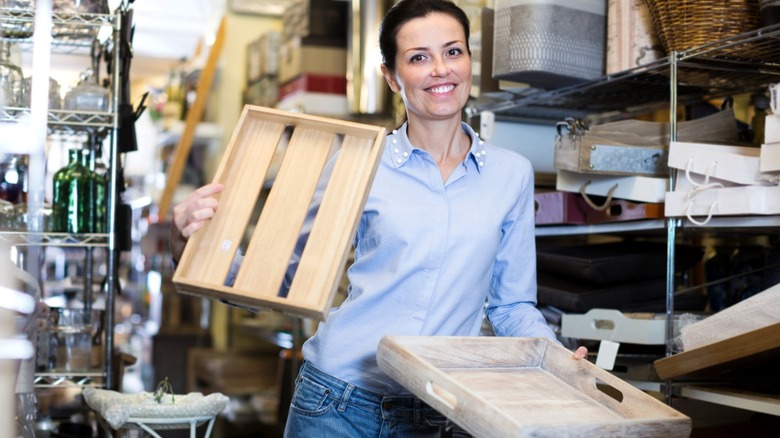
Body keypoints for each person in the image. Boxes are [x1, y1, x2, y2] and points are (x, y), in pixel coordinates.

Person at [170, 0, 587, 436]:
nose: (441, 69)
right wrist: (192, 246)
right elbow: (284, 277)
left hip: (437, 408)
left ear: (469, 60)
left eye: (453, 51)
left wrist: (552, 358)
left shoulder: (511, 174)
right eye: (418, 58)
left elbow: (512, 305)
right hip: (337, 401)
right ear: (391, 76)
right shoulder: (358, 164)